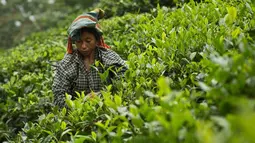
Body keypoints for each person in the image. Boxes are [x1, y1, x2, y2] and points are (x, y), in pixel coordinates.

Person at [52, 8, 127, 108]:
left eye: (88, 41)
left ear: (97, 41)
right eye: (79, 41)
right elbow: (58, 97)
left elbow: (124, 81)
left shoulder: (108, 56)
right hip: (79, 117)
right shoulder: (67, 63)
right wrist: (82, 102)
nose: (83, 46)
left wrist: (102, 95)